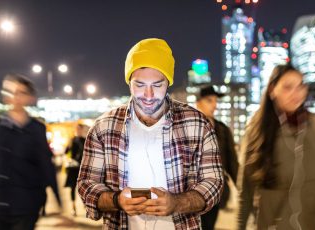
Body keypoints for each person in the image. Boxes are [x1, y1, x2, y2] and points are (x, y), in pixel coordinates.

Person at [77, 38, 223, 229]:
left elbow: (214, 182)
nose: (148, 95)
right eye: (139, 85)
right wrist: (117, 200)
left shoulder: (197, 123)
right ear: (129, 81)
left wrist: (176, 203)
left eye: (157, 85)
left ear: (168, 82)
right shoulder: (104, 127)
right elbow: (86, 184)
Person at [236, 64, 315, 230]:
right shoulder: (257, 132)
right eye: (287, 87)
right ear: (272, 90)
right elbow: (245, 191)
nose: (295, 94)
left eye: (300, 86)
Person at [0, 74, 60, 230]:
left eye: (20, 93)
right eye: (11, 92)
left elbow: (46, 166)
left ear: (29, 98)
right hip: (1, 204)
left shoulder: (36, 129)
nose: (15, 97)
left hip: (27, 204)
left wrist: (58, 202)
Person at [195, 85, 239, 230]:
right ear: (198, 102)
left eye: (215, 101)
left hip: (215, 192)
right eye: (209, 100)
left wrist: (243, 188)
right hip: (191, 192)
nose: (214, 105)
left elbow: (232, 163)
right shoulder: (187, 127)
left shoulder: (222, 129)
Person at [64, 123, 88, 216]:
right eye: (77, 129)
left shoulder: (84, 140)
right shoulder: (72, 140)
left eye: (80, 129)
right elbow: (66, 152)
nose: (78, 131)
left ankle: (85, 205)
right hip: (73, 168)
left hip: (82, 168)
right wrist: (68, 145)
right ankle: (73, 208)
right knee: (72, 188)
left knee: (82, 188)